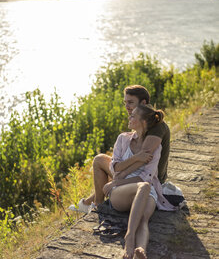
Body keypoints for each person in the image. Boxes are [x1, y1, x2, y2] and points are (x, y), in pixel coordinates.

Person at [69, 85, 170, 213]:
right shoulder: (139, 118)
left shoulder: (156, 125)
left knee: (105, 164)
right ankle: (93, 203)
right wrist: (119, 172)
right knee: (100, 159)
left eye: (130, 102)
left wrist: (118, 177)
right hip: (133, 171)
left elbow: (143, 159)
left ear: (143, 102)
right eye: (125, 102)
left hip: (148, 177)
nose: (127, 106)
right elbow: (135, 158)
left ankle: (92, 205)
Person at [103, 104, 176, 259]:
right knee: (144, 186)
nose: (129, 117)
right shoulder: (123, 139)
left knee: (144, 218)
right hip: (122, 192)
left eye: (133, 116)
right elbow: (114, 167)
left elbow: (147, 177)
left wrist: (120, 178)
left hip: (145, 191)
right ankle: (129, 237)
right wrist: (136, 159)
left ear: (143, 122)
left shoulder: (156, 149)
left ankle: (140, 250)